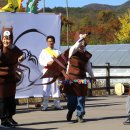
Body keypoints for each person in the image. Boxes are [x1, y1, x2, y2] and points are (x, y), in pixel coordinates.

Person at [64, 33, 96, 123]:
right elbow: (75, 46)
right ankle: (71, 110)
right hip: (70, 78)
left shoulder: (86, 55)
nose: (82, 45)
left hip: (81, 78)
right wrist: (82, 37)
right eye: (81, 43)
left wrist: (92, 76)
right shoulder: (72, 51)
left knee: (81, 98)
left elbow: (88, 67)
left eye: (84, 44)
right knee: (72, 100)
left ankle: (80, 115)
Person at [0, 26, 24, 128]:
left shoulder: (14, 47)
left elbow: (22, 54)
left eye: (8, 39)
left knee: (11, 99)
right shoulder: (0, 47)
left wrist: (21, 58)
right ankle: (3, 119)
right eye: (4, 38)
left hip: (11, 78)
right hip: (1, 79)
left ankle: (10, 117)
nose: (6, 41)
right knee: (2, 100)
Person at [39, 35, 63, 111]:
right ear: (47, 42)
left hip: (55, 71)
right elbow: (40, 60)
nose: (50, 42)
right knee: (46, 88)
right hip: (47, 71)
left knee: (55, 87)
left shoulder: (58, 51)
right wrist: (47, 63)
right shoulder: (44, 51)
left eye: (51, 41)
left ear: (54, 42)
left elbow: (61, 62)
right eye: (49, 41)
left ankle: (57, 104)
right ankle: (45, 105)